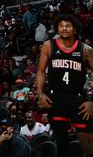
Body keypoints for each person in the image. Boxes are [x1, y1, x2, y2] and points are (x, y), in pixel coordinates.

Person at [36, 13, 93, 155]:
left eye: (68, 26)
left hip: (78, 98)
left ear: (75, 29)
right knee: (61, 140)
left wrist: (92, 101)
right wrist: (40, 93)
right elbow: (41, 71)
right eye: (61, 26)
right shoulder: (48, 45)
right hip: (56, 98)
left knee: (86, 139)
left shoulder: (86, 49)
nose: (64, 28)